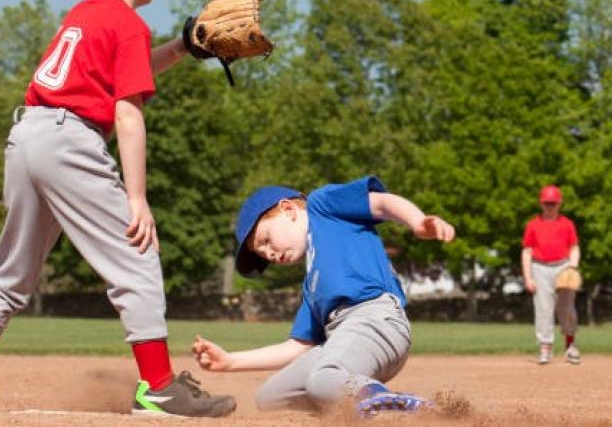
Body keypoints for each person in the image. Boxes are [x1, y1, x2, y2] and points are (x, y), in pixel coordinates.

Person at [0, 0, 236, 417]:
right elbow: (127, 111)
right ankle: (158, 386)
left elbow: (120, 71)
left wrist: (181, 46)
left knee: (12, 273)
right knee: (137, 257)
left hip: (28, 135)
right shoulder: (128, 22)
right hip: (70, 141)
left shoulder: (85, 14)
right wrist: (137, 198)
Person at [192, 176, 455, 417]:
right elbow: (297, 347)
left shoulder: (322, 206)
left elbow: (380, 203)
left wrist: (417, 221)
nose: (269, 254)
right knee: (271, 398)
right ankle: (357, 402)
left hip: (376, 319)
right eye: (263, 255)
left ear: (288, 210)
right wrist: (229, 361)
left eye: (266, 240)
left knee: (322, 378)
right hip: (342, 340)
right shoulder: (313, 286)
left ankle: (391, 407)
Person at [521, 185, 581, 365]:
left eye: (553, 203)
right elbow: (527, 251)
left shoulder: (567, 224)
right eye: (547, 203)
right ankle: (545, 347)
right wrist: (528, 277)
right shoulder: (533, 224)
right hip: (539, 267)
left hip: (563, 265)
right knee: (543, 308)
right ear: (541, 203)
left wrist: (572, 267)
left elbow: (574, 248)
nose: (550, 207)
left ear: (559, 203)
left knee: (567, 308)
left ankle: (570, 346)